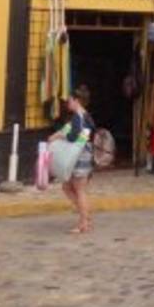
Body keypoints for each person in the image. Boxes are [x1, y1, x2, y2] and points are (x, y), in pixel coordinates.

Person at [48, 89, 95, 234]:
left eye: (70, 100)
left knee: (78, 190)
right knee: (68, 187)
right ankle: (85, 216)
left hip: (78, 156)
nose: (68, 103)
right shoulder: (86, 116)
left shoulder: (78, 117)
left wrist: (58, 137)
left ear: (77, 101)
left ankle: (84, 223)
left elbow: (73, 137)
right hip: (83, 155)